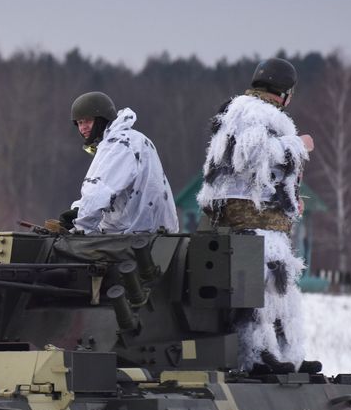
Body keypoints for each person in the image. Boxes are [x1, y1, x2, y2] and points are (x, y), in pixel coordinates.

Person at [196, 57, 319, 374]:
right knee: (261, 294)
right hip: (252, 225)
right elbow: (250, 154)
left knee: (278, 295)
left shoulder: (245, 111)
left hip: (264, 225)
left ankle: (286, 355)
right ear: (286, 91)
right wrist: (297, 144)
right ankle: (260, 356)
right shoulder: (252, 111)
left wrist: (290, 199)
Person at [60, 91, 178, 235]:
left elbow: (99, 190)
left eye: (88, 121)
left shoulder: (120, 144)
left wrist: (79, 226)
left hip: (137, 236)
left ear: (102, 119)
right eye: (79, 123)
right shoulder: (129, 139)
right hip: (146, 231)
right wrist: (78, 210)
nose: (83, 128)